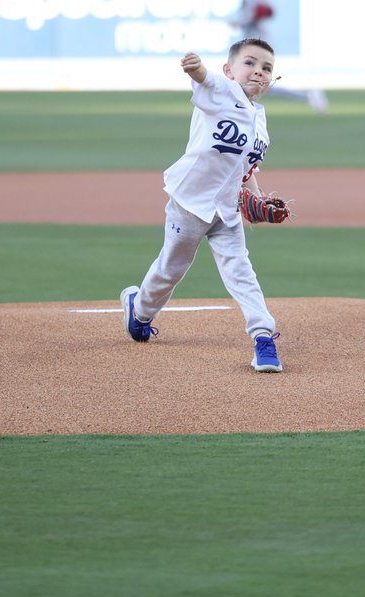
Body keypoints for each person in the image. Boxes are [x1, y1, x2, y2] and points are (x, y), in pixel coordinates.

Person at [120, 38, 284, 373]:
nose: (258, 71)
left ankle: (263, 337)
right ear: (230, 69)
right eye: (250, 63)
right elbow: (204, 79)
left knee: (241, 272)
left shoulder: (260, 121)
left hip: (226, 211)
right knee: (171, 269)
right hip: (189, 204)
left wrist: (258, 198)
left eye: (266, 67)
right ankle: (140, 310)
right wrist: (196, 67)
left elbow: (246, 169)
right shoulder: (223, 91)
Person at [230, 0, 329, 115]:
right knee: (253, 80)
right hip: (254, 37)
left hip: (257, 38)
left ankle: (308, 95)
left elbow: (262, 11)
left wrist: (240, 21)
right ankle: (308, 95)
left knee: (256, 80)